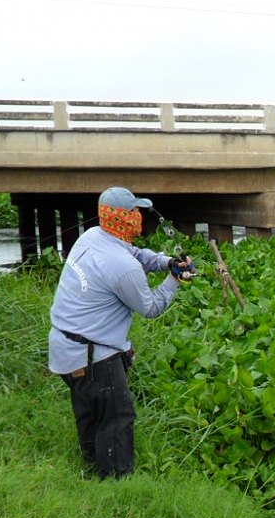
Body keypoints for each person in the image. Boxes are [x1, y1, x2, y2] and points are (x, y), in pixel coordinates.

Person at [48, 186, 193, 478]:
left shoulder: (92, 237)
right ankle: (117, 484)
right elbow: (151, 308)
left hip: (64, 350)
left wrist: (166, 262)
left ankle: (91, 470)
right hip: (94, 357)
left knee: (91, 415)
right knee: (117, 418)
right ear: (125, 217)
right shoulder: (123, 268)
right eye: (135, 211)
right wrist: (175, 280)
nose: (140, 216)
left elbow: (136, 253)